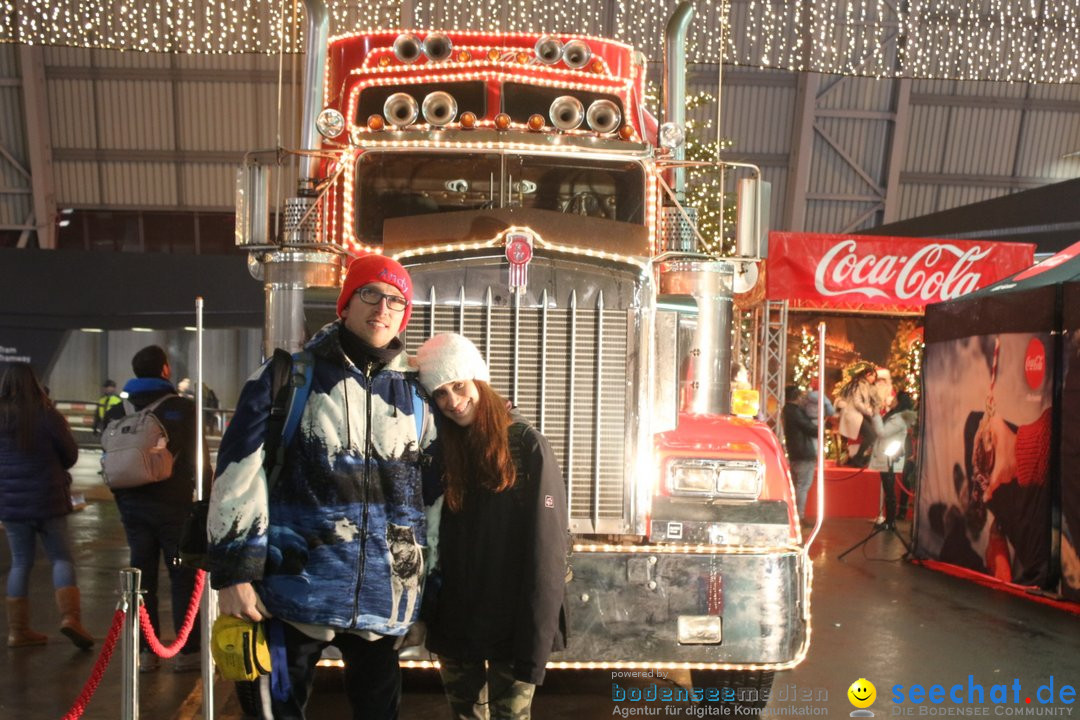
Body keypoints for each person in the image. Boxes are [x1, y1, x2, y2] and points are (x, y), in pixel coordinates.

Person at [207, 254, 435, 720]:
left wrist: (426, 593)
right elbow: (237, 476)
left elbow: (431, 499)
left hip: (382, 602)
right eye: (370, 293)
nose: (383, 308)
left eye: (396, 301)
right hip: (292, 594)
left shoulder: (419, 394)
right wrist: (234, 574)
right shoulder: (287, 377)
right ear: (345, 304)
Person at [414, 333, 568, 720]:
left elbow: (547, 552)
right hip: (457, 622)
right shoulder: (443, 450)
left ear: (478, 380)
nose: (452, 401)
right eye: (441, 394)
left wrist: (535, 649)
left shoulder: (526, 445)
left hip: (511, 626)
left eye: (459, 385)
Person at [104, 345, 207, 672]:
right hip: (174, 505)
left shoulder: (119, 409)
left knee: (141, 577)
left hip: (131, 503)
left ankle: (146, 653)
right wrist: (206, 498)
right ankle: (187, 652)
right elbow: (197, 458)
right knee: (182, 575)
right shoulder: (182, 407)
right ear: (165, 370)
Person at [0, 362, 94, 649]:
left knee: (20, 562)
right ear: (34, 383)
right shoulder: (47, 414)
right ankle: (70, 619)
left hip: (12, 504)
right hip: (48, 498)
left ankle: (18, 631)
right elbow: (69, 454)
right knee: (61, 558)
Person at [869, 391, 917, 530]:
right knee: (887, 488)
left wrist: (877, 415)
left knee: (889, 489)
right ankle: (889, 520)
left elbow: (882, 433)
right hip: (887, 455)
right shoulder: (896, 416)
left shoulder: (899, 419)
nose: (892, 400)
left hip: (890, 457)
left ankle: (890, 522)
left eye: (895, 398)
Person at [781, 385, 818, 519]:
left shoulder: (787, 411)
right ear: (796, 397)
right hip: (803, 453)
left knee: (798, 486)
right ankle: (799, 516)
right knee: (802, 486)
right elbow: (810, 429)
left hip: (795, 452)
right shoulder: (795, 411)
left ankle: (794, 514)